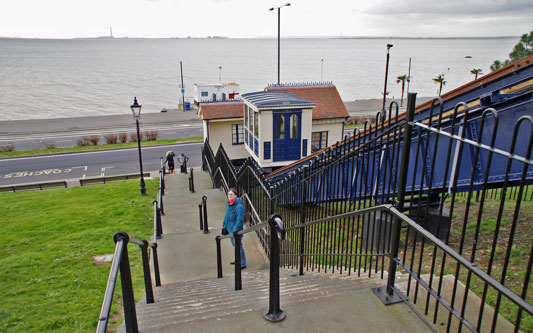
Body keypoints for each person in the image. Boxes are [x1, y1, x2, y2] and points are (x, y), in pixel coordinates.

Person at [221, 188, 246, 268]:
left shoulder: (239, 207)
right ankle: (237, 259)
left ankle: (242, 263)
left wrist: (235, 230)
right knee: (235, 245)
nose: (229, 196)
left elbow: (240, 220)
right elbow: (226, 216)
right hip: (229, 229)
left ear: (235, 195)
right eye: (228, 194)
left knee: (239, 246)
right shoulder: (228, 204)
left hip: (235, 231)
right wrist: (224, 225)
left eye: (231, 194)